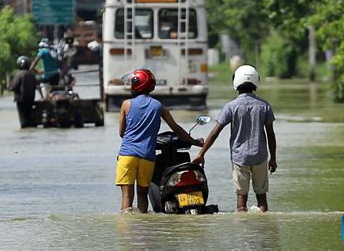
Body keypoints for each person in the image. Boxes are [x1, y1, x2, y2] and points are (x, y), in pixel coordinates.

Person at [116, 68, 204, 213]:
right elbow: (176, 128)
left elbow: (121, 133)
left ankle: (127, 230)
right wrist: (195, 142)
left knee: (126, 196)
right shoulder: (158, 106)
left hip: (127, 155)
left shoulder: (126, 104)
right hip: (147, 156)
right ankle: (143, 227)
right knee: (142, 195)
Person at [193, 65, 277, 212]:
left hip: (240, 158)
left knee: (241, 199)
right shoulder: (264, 106)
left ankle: (242, 231)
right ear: (256, 81)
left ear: (236, 83)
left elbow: (214, 133)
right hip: (260, 156)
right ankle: (264, 229)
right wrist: (273, 158)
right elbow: (271, 135)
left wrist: (201, 154)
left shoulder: (231, 107)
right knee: (262, 198)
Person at [9, 56, 38, 128]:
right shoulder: (32, 75)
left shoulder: (18, 74)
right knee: (29, 118)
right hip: (31, 100)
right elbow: (35, 86)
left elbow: (12, 87)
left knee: (23, 122)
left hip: (20, 100)